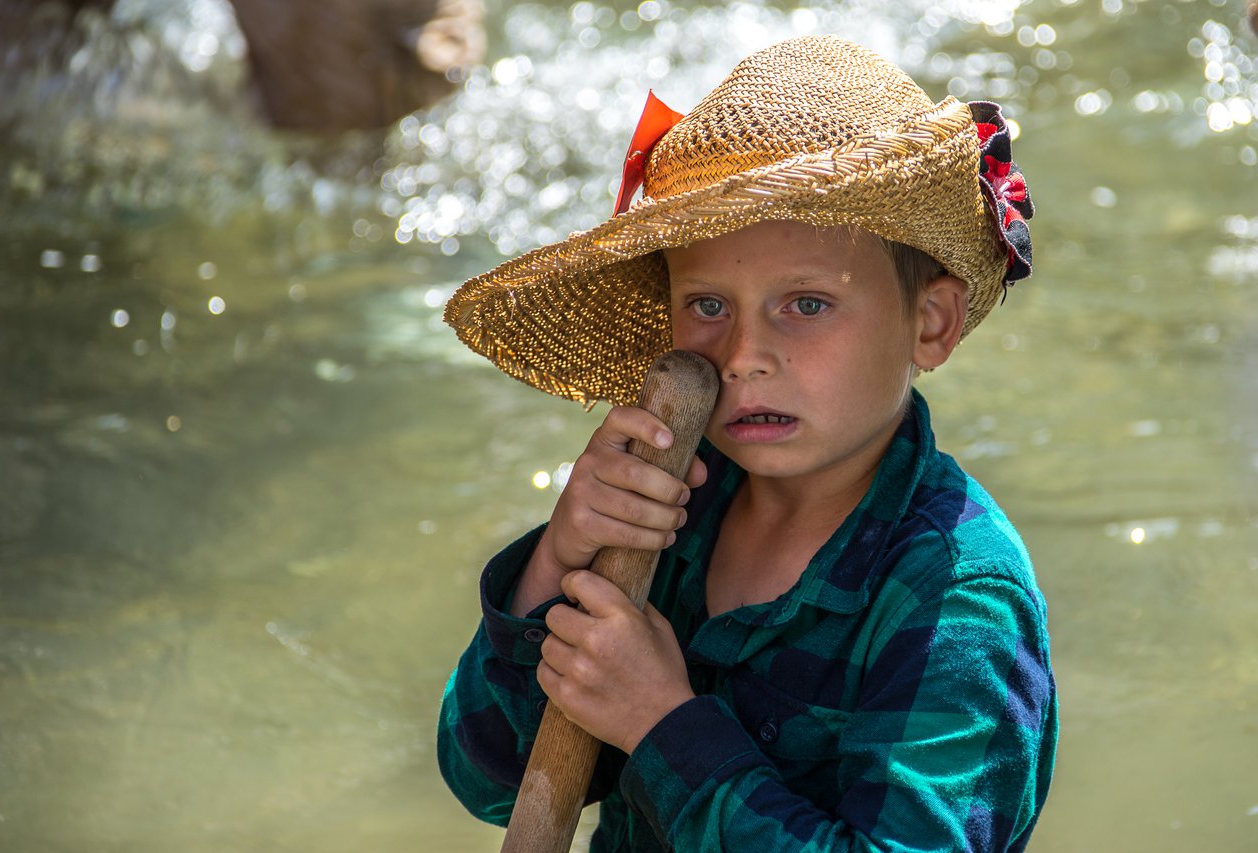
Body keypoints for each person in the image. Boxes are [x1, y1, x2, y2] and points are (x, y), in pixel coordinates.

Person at [438, 35, 1057, 852]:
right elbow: (486, 778)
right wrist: (561, 560)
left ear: (930, 321)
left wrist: (662, 724)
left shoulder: (958, 594)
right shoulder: (674, 499)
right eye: (707, 304)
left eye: (805, 304)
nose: (742, 354)